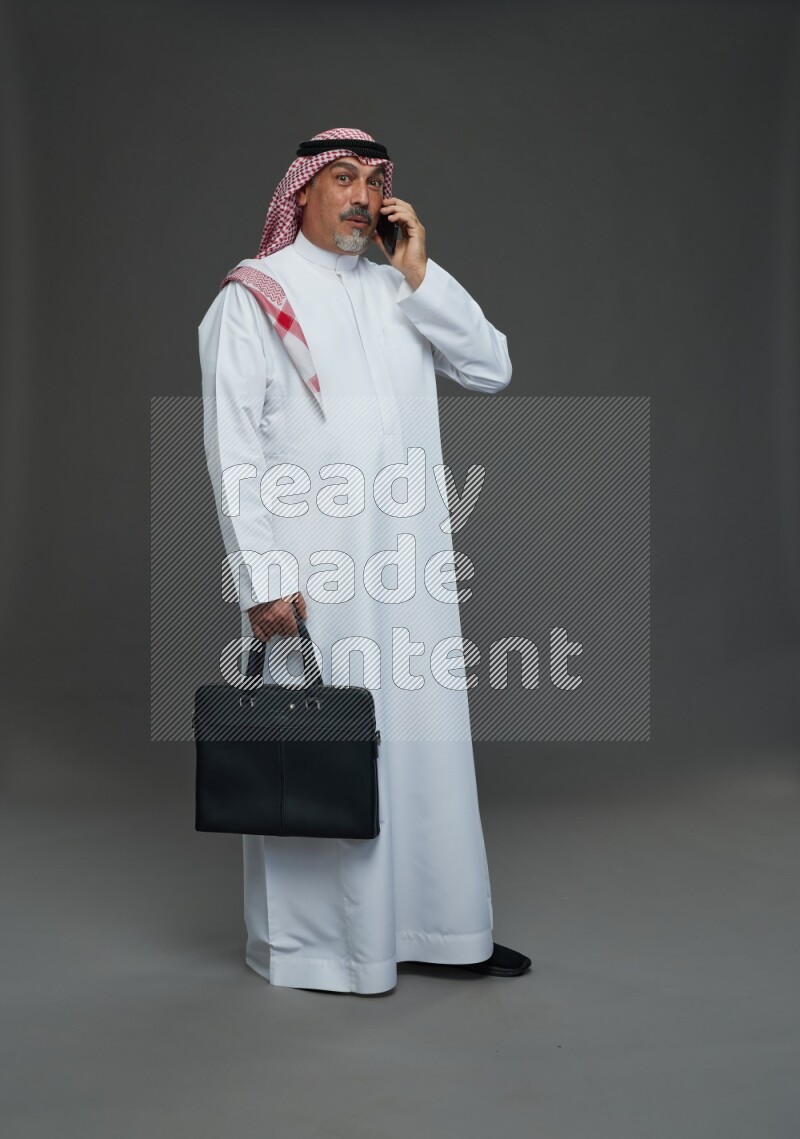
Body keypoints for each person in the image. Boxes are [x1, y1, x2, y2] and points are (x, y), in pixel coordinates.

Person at [198, 126, 530, 993]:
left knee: (423, 743)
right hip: (319, 572)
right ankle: (329, 949)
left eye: (375, 181)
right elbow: (234, 449)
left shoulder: (400, 291)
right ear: (301, 191)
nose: (362, 195)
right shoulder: (254, 295)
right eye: (343, 177)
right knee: (326, 745)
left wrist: (420, 270)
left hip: (410, 566)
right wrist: (262, 579)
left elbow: (491, 368)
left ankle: (442, 928)